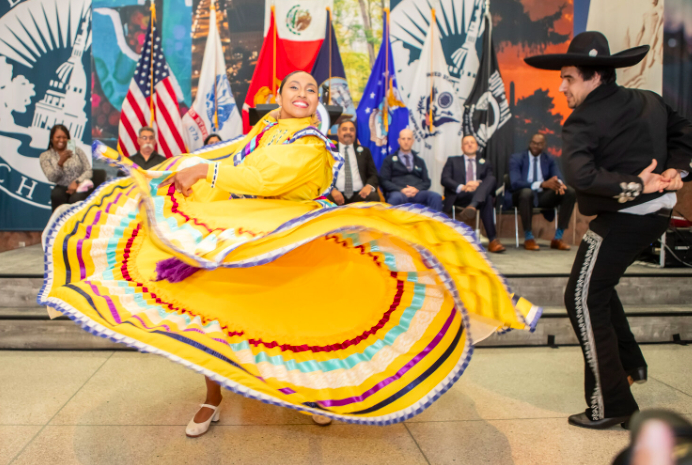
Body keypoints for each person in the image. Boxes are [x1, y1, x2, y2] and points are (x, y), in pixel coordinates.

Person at [39, 71, 539, 438]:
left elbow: (264, 179)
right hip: (245, 230)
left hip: (294, 235)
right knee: (214, 310)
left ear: (317, 104)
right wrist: (170, 169)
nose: (302, 95)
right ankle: (213, 396)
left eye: (311, 91)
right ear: (277, 98)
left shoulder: (312, 144)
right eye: (294, 88)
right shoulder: (264, 130)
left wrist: (206, 175)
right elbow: (226, 155)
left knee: (300, 320)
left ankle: (312, 394)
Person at [525, 31, 692, 430]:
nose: (561, 86)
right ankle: (630, 363)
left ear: (595, 75)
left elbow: (579, 174)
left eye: (568, 78)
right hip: (655, 217)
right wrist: (677, 168)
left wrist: (638, 184)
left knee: (580, 296)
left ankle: (611, 403)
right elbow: (684, 131)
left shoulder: (581, 120)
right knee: (597, 288)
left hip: (625, 219)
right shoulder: (648, 100)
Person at [508, 133, 576, 251]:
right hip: (521, 196)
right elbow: (515, 183)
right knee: (526, 192)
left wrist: (558, 183)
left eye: (539, 144)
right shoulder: (517, 158)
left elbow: (558, 176)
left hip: (542, 197)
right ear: (530, 143)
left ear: (544, 145)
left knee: (569, 191)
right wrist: (541, 184)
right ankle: (529, 238)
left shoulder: (548, 159)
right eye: (533, 143)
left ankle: (558, 238)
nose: (535, 146)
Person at [441, 135, 505, 253]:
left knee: (491, 182)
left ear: (477, 146)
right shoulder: (453, 160)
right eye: (466, 143)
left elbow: (490, 182)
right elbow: (445, 179)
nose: (469, 144)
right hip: (460, 196)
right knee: (486, 197)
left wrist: (478, 184)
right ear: (462, 147)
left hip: (478, 195)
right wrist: (463, 186)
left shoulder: (485, 163)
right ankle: (493, 239)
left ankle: (492, 239)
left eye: (472, 142)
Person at [379, 128, 443, 211]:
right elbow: (384, 181)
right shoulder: (389, 160)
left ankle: (435, 223)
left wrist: (416, 189)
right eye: (403, 139)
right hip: (398, 192)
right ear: (399, 141)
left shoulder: (420, 161)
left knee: (435, 197)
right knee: (395, 198)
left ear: (413, 141)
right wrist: (401, 189)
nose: (406, 142)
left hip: (417, 192)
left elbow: (427, 181)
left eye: (409, 139)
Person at [39, 124, 93, 211]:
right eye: (58, 137)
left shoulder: (77, 151)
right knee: (57, 195)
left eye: (64, 137)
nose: (62, 140)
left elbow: (88, 170)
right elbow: (51, 177)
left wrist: (77, 181)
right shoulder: (45, 156)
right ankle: (59, 223)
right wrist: (60, 162)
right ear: (52, 139)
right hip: (62, 186)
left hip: (80, 185)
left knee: (75, 199)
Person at [327, 120, 380, 205]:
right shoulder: (329, 152)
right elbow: (322, 176)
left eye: (351, 130)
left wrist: (368, 186)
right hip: (335, 194)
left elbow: (373, 174)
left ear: (355, 133)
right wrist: (331, 190)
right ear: (338, 132)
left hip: (360, 195)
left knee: (373, 197)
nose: (348, 132)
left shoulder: (364, 151)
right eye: (344, 129)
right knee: (325, 199)